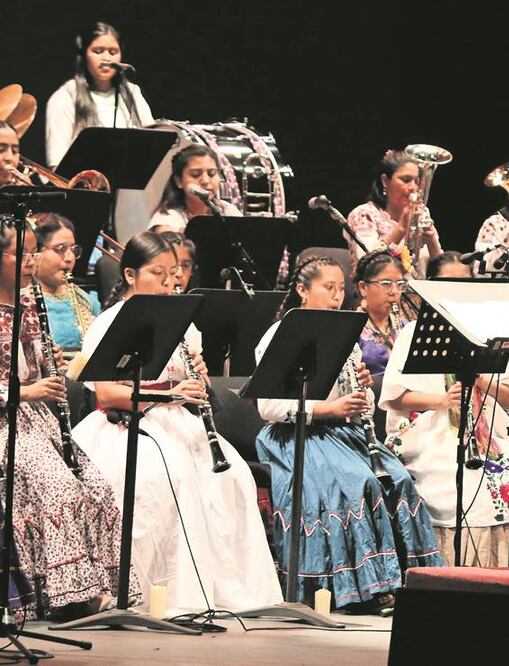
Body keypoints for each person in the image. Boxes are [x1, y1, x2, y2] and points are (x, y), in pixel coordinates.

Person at [71, 232, 281, 616]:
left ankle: (223, 590)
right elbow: (108, 395)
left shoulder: (183, 323)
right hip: (128, 424)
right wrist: (169, 394)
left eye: (175, 273)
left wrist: (198, 381)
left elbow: (191, 381)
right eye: (158, 273)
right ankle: (162, 595)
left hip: (178, 421)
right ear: (131, 275)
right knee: (170, 475)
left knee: (234, 474)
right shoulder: (109, 323)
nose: (171, 282)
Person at [254, 255, 442, 612]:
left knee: (399, 479)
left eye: (341, 288)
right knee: (360, 483)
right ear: (301, 290)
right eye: (328, 287)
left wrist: (363, 391)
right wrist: (329, 409)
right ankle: (361, 589)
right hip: (296, 435)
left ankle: (407, 581)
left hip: (342, 433)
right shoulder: (280, 335)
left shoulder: (343, 335)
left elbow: (353, 399)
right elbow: (269, 408)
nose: (337, 296)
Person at [380, 253, 509, 567]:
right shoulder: (412, 334)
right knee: (450, 483)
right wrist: (440, 401)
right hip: (430, 430)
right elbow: (395, 398)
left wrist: (477, 377)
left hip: (486, 430)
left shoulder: (486, 333)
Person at [0, 219, 133, 619]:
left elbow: (37, 371)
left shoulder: (30, 306)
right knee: (59, 488)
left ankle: (102, 586)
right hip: (5, 423)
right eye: (19, 254)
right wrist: (25, 392)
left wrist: (51, 369)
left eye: (32, 252)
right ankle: (67, 596)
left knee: (96, 486)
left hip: (36, 421)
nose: (30, 261)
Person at [45, 22, 153, 168]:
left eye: (113, 52)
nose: (106, 59)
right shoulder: (65, 97)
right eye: (98, 51)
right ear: (84, 55)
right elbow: (56, 162)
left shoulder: (132, 92)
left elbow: (152, 143)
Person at [345, 150, 443, 275]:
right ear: (385, 181)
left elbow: (441, 268)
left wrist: (431, 240)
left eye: (417, 182)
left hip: (418, 291)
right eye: (406, 180)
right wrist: (401, 228)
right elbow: (367, 263)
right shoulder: (364, 214)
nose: (413, 187)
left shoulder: (422, 214)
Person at [30, 212, 100, 353]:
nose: (70, 258)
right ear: (36, 252)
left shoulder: (87, 301)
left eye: (73, 249)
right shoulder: (20, 301)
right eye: (60, 249)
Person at [149, 145, 241, 234]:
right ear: (179, 181)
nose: (205, 181)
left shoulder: (228, 210)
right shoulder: (167, 218)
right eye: (195, 174)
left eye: (211, 174)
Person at [354, 247, 411, 375]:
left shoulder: (406, 327)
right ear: (363, 288)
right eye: (386, 283)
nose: (395, 292)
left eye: (400, 284)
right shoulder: (351, 329)